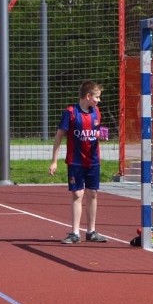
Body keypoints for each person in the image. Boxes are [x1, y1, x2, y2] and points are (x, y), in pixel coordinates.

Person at [49, 80, 108, 244]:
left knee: (92, 193)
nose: (98, 100)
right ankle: (75, 232)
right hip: (75, 161)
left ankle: (92, 231)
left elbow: (97, 133)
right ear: (88, 96)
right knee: (77, 194)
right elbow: (59, 136)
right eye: (97, 97)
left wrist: (100, 137)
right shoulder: (71, 112)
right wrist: (54, 161)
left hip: (93, 160)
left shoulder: (96, 112)